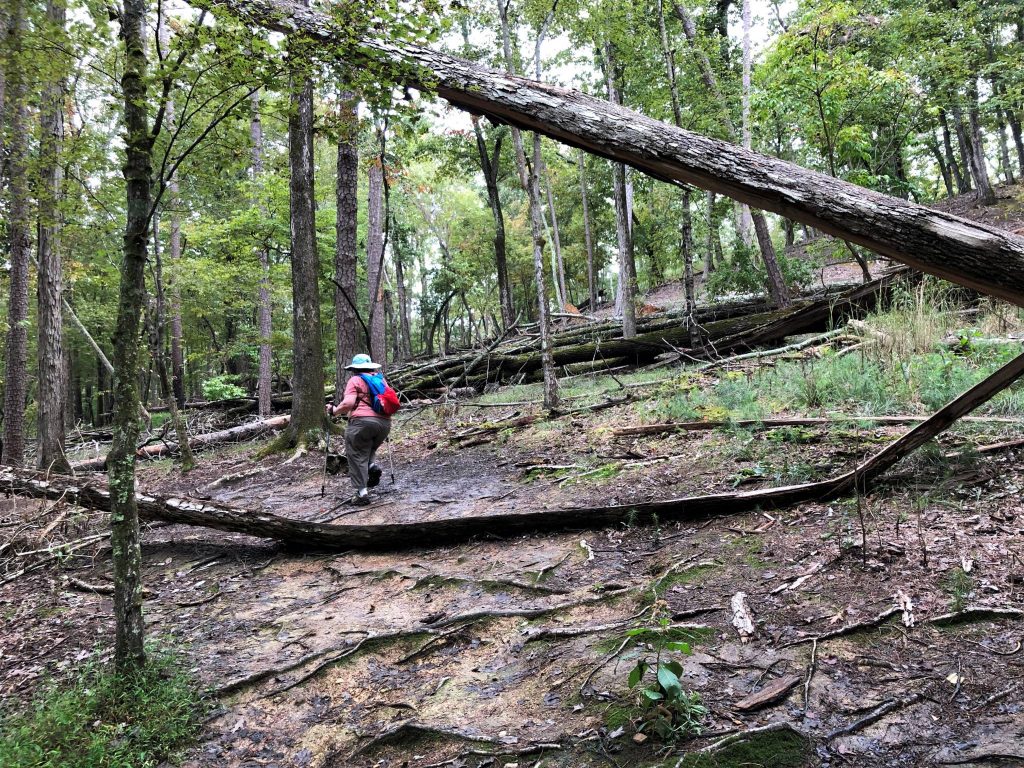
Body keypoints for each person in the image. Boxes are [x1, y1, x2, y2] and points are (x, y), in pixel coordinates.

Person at [327, 354, 392, 505]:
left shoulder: (355, 380)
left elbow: (348, 403)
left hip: (362, 423)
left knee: (356, 455)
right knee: (369, 448)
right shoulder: (381, 379)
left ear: (354, 368)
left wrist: (334, 410)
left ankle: (362, 494)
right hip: (384, 424)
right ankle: (371, 466)